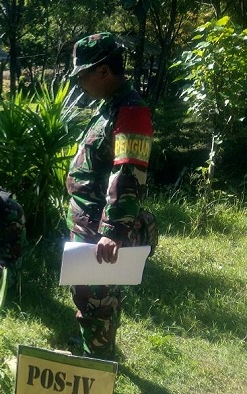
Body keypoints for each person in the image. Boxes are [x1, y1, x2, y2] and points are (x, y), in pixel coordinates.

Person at [66, 32, 153, 359]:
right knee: (90, 297)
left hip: (100, 232)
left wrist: (113, 231)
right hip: (88, 226)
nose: (79, 82)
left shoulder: (130, 110)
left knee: (98, 299)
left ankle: (97, 363)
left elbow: (128, 170)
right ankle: (95, 347)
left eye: (82, 74)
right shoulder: (109, 107)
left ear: (103, 71)